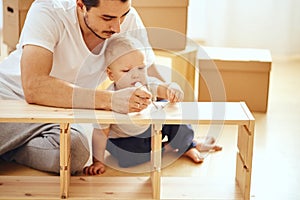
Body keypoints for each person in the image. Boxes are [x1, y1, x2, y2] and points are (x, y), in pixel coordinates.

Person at [0, 0, 165, 174]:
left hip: (59, 112)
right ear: (81, 5)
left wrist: (185, 135)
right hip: (9, 99)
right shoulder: (48, 11)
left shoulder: (127, 18)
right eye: (107, 17)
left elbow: (150, 76)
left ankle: (8, 146)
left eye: (122, 16)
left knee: (76, 152)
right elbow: (34, 87)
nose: (117, 28)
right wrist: (110, 100)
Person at [83, 35, 222, 175]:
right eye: (126, 71)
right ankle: (165, 147)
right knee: (127, 156)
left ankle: (188, 145)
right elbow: (100, 134)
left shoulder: (148, 84)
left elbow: (163, 87)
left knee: (172, 112)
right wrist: (98, 161)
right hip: (125, 138)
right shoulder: (109, 99)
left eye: (141, 68)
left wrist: (172, 90)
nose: (136, 75)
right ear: (111, 74)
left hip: (150, 127)